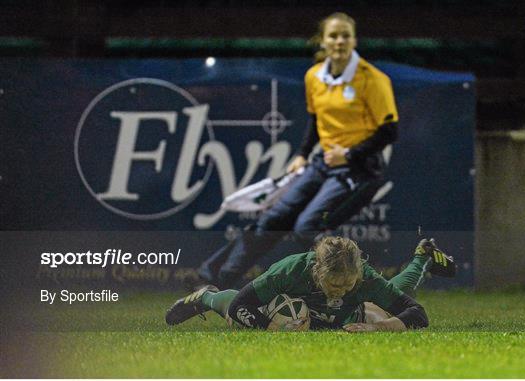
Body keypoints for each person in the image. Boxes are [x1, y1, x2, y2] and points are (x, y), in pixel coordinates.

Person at [197, 12, 400, 290]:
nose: (339, 41)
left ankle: (357, 289)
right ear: (322, 41)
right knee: (273, 218)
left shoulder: (373, 79)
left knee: (307, 226)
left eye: (345, 35)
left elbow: (390, 132)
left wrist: (350, 154)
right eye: (333, 35)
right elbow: (317, 121)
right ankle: (217, 281)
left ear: (354, 40)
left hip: (362, 169)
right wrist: (302, 154)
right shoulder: (314, 76)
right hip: (324, 163)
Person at [167, 236, 453, 331]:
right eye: (334, 285)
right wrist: (271, 328)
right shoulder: (291, 270)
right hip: (288, 311)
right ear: (317, 272)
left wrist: (377, 328)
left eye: (347, 286)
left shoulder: (363, 277)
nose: (340, 291)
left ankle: (421, 256)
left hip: (345, 317)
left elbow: (417, 313)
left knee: (389, 303)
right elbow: (244, 303)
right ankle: (205, 297)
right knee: (235, 315)